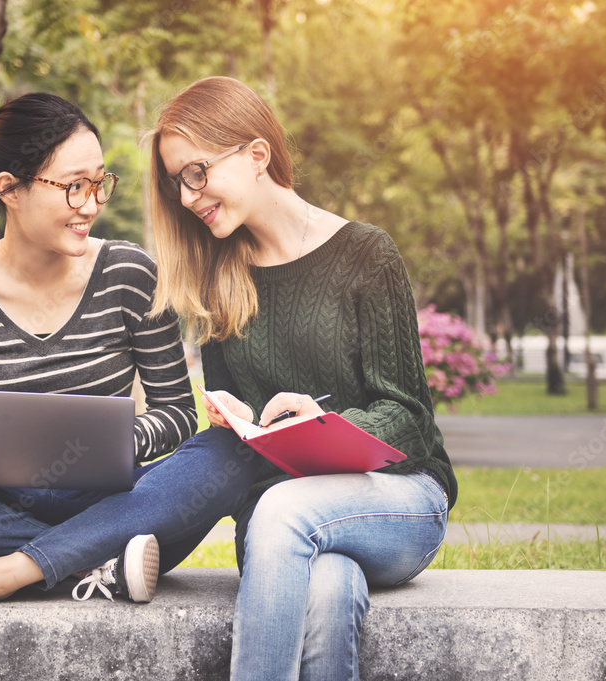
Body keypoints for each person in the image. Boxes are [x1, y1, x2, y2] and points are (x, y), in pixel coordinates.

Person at [0, 91, 259, 641]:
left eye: (99, 183)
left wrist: (117, 443)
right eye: (73, 186)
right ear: (10, 188)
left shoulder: (131, 273)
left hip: (115, 499)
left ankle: (2, 572)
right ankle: (92, 567)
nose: (91, 203)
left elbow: (176, 413)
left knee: (228, 452)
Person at [147, 76, 458, 681]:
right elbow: (243, 448)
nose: (187, 198)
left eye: (196, 172)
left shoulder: (367, 254)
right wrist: (240, 423)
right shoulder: (220, 284)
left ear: (256, 155)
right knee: (327, 587)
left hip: (398, 502)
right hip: (279, 522)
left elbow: (411, 420)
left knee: (288, 513)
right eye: (176, 183)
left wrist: (325, 425)